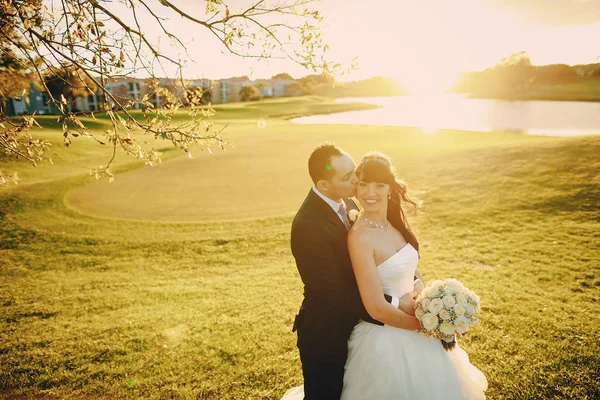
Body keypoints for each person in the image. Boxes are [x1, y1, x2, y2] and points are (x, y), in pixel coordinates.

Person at [340, 151, 488, 400]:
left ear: (390, 188)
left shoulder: (393, 222)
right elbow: (375, 307)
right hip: (387, 341)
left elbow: (410, 268)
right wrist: (427, 327)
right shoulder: (360, 236)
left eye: (379, 185)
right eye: (363, 185)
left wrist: (425, 293)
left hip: (419, 324)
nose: (370, 193)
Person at [285, 143, 420, 400]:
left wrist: (411, 283)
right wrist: (395, 303)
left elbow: (383, 254)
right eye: (348, 177)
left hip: (362, 327)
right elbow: (333, 293)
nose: (357, 180)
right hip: (327, 335)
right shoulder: (307, 226)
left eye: (353, 171)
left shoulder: (346, 198)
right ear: (324, 185)